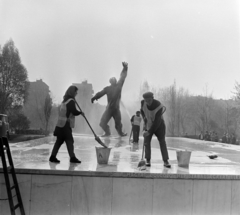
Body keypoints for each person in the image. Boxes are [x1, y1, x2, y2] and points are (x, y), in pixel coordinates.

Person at [91, 62, 128, 137]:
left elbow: (122, 77)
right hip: (109, 109)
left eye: (114, 80)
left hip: (116, 109)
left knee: (118, 124)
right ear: (110, 82)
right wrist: (94, 97)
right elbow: (100, 93)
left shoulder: (118, 86)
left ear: (116, 81)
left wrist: (125, 68)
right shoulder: (107, 89)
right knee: (102, 123)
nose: (113, 81)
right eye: (112, 80)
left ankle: (120, 133)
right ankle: (107, 132)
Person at [49, 86, 84, 163]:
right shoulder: (71, 101)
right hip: (65, 125)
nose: (76, 93)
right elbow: (74, 111)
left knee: (59, 141)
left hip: (60, 125)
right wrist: (81, 113)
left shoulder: (64, 101)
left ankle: (52, 156)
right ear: (72, 92)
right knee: (69, 141)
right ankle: (72, 157)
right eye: (75, 92)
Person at [140, 92, 171, 168]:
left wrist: (149, 132)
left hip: (159, 126)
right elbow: (141, 111)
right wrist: (144, 117)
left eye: (149, 100)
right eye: (146, 100)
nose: (148, 102)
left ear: (152, 98)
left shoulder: (159, 106)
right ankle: (147, 159)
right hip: (148, 124)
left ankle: (165, 160)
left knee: (162, 142)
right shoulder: (142, 102)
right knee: (146, 142)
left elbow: (157, 122)